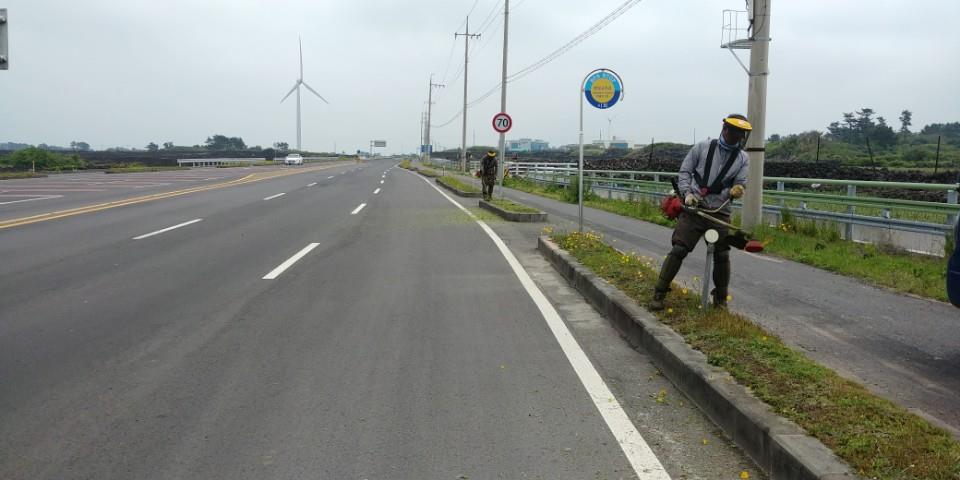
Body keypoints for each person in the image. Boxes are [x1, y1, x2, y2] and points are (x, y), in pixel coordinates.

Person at [650, 114, 753, 311]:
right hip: (693, 207)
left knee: (722, 254)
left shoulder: (742, 158)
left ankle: (720, 299)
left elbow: (741, 182)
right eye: (737, 134)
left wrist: (738, 189)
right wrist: (687, 193)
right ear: (725, 130)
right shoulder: (702, 147)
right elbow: (685, 172)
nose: (739, 138)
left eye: (742, 134)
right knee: (679, 249)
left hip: (719, 211)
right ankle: (659, 292)